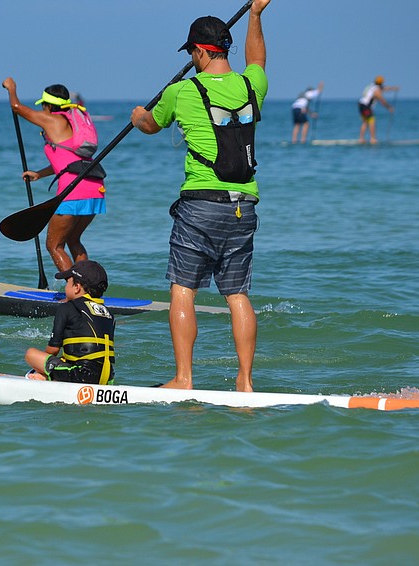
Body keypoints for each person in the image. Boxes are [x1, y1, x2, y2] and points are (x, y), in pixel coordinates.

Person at [131, 0, 270, 392]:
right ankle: (245, 382)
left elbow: (150, 125)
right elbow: (258, 59)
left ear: (202, 51)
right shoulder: (251, 85)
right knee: (238, 295)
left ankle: (183, 378)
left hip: (200, 204)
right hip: (245, 203)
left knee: (183, 290)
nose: (191, 59)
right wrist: (256, 15)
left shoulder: (181, 92)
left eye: (192, 52)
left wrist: (137, 115)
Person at [2, 77, 107, 271]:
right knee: (73, 240)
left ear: (49, 106)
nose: (43, 110)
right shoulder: (73, 121)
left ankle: (75, 289)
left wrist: (11, 88)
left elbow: (16, 107)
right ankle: (87, 287)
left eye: (43, 106)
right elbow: (69, 161)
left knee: (54, 245)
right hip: (94, 187)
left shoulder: (52, 119)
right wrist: (39, 174)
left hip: (72, 191)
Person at [25, 260, 115, 385]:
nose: (66, 286)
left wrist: (41, 367)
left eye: (68, 283)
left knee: (31, 354)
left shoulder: (66, 308)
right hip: (107, 378)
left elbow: (53, 349)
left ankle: (43, 377)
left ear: (77, 288)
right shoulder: (109, 314)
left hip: (80, 375)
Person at [358, 76, 399, 144]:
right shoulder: (376, 90)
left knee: (365, 122)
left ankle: (361, 139)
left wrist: (393, 88)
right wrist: (389, 108)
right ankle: (373, 139)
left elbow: (384, 88)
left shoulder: (371, 86)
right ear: (381, 83)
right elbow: (382, 100)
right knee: (371, 121)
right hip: (366, 106)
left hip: (361, 104)